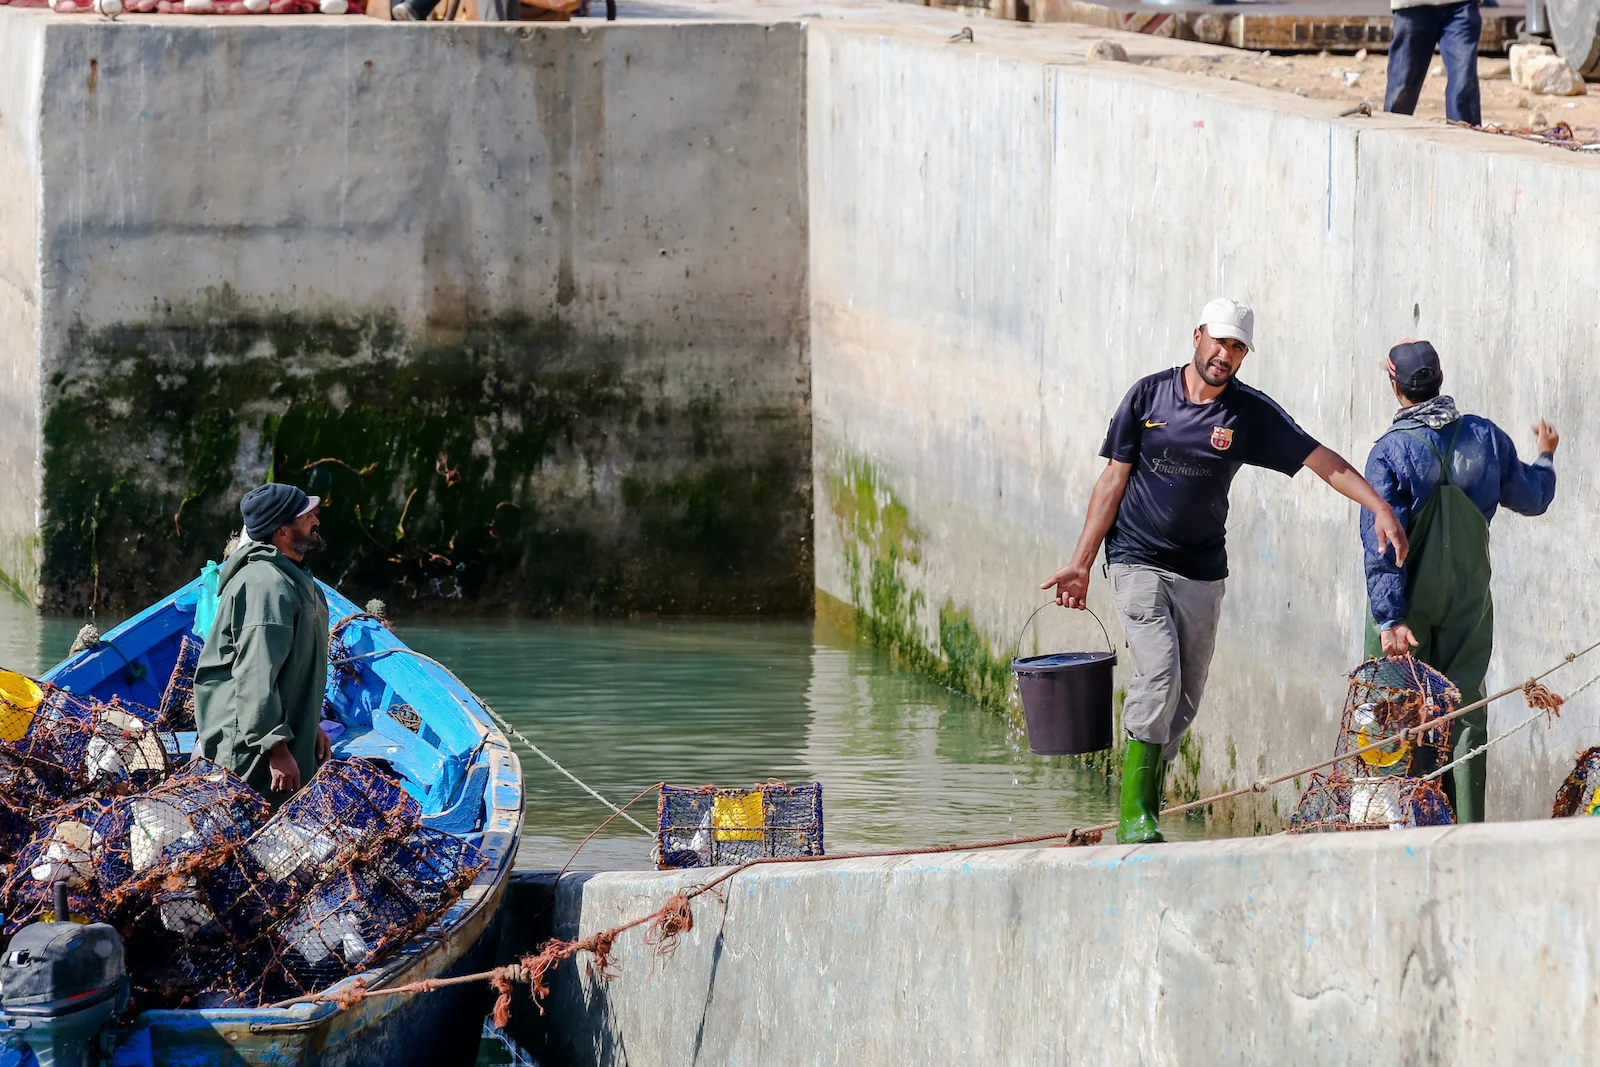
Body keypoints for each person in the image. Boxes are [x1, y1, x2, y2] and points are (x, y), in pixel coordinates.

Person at [1041, 297, 1410, 845]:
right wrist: (1081, 562)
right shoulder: (1147, 396)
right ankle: (1136, 816)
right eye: (1219, 340)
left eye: (1237, 346)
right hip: (1137, 559)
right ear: (1197, 335)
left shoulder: (1247, 413)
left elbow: (1321, 460)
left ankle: (1146, 789)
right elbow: (1112, 482)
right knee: (1159, 672)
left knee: (1185, 698)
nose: (1225, 354)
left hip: (1201, 572)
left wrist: (1379, 506)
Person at [1361, 340, 1557, 823]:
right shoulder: (1486, 439)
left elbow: (1380, 543)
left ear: (1394, 386)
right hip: (1468, 602)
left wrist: (1390, 617)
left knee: (1395, 717)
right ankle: (1468, 831)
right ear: (1441, 378)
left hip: (1407, 608)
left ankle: (1397, 829)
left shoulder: (1389, 452)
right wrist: (1547, 455)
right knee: (1466, 713)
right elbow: (1534, 497)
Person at [194, 484, 333, 803]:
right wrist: (276, 748)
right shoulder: (265, 586)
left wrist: (309, 723)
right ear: (282, 531)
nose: (316, 519)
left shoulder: (298, 580)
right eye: (306, 515)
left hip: (283, 734)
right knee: (247, 834)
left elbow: (294, 670)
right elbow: (255, 676)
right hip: (251, 750)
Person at [1383, 0, 1482, 126]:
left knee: (1463, 83)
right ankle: (1391, 139)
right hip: (1412, 6)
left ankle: (1466, 141)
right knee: (1401, 90)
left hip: (1460, 5)